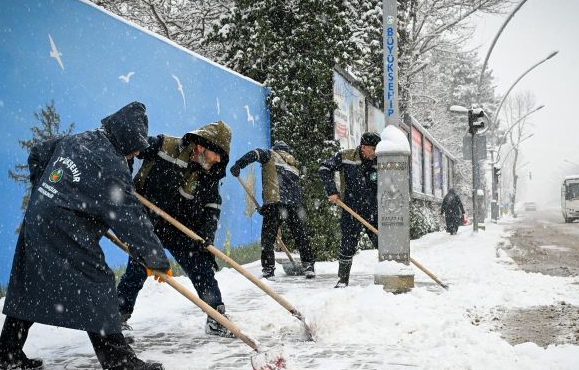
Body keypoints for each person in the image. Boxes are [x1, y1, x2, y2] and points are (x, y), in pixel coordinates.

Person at [0, 101, 172, 370]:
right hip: (64, 228)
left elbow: (38, 154)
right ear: (125, 137)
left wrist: (48, 189)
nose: (137, 151)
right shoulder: (110, 163)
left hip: (39, 217)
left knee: (31, 283)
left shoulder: (80, 139)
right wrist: (156, 258)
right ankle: (120, 362)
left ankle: (8, 355)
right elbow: (129, 218)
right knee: (96, 282)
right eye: (135, 145)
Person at [116, 120, 236, 338]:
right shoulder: (163, 146)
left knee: (201, 267)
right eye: (217, 153)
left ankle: (216, 318)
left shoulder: (210, 171)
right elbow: (128, 150)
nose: (219, 159)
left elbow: (212, 206)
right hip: (148, 221)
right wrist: (124, 182)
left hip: (179, 227)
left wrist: (206, 236)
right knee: (137, 269)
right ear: (202, 146)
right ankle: (117, 318)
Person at [230, 141, 315, 279]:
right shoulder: (294, 165)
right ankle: (309, 266)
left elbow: (254, 154)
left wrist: (239, 164)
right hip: (295, 205)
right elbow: (288, 189)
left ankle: (268, 270)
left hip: (275, 204)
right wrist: (266, 208)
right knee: (301, 236)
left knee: (268, 239)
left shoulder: (270, 154)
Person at [319, 132, 381, 288]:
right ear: (364, 147)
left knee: (382, 243)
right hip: (351, 208)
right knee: (347, 244)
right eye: (373, 149)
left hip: (372, 210)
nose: (375, 153)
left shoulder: (381, 160)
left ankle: (389, 274)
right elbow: (324, 167)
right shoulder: (347, 157)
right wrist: (332, 191)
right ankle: (342, 280)